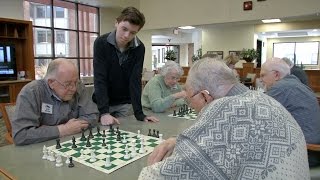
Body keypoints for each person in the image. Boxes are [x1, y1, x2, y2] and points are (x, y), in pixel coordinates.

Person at [139, 58, 309, 179]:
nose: (191, 106)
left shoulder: (224, 110)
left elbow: (159, 176)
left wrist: (149, 169)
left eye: (191, 98)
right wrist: (179, 141)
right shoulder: (261, 99)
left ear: (205, 96)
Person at [92, 6, 158, 126]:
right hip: (101, 103)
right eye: (124, 29)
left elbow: (135, 80)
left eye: (133, 32)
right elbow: (100, 78)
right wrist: (104, 112)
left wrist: (139, 114)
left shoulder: (139, 48)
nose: (127, 35)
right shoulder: (101, 43)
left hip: (125, 104)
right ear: (116, 23)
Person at [11, 59, 99, 146]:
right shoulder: (31, 92)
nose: (74, 88)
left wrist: (73, 127)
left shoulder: (78, 86)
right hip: (42, 147)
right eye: (67, 84)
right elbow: (21, 135)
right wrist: (63, 130)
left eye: (75, 82)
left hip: (73, 142)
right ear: (51, 83)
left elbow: (92, 116)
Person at [260, 57, 320, 167]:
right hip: (312, 148)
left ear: (276, 75)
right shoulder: (294, 83)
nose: (261, 80)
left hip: (306, 152)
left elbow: (257, 112)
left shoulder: (281, 87)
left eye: (263, 75)